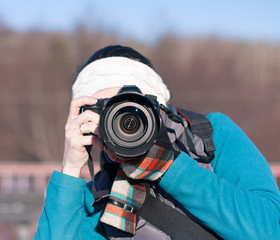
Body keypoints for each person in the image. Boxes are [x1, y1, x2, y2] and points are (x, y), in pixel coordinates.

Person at [34, 45, 280, 239]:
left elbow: (270, 230)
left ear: (159, 107)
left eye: (131, 105)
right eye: (106, 109)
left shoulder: (212, 137)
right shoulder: (96, 200)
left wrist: (168, 167)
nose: (123, 119)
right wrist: (69, 170)